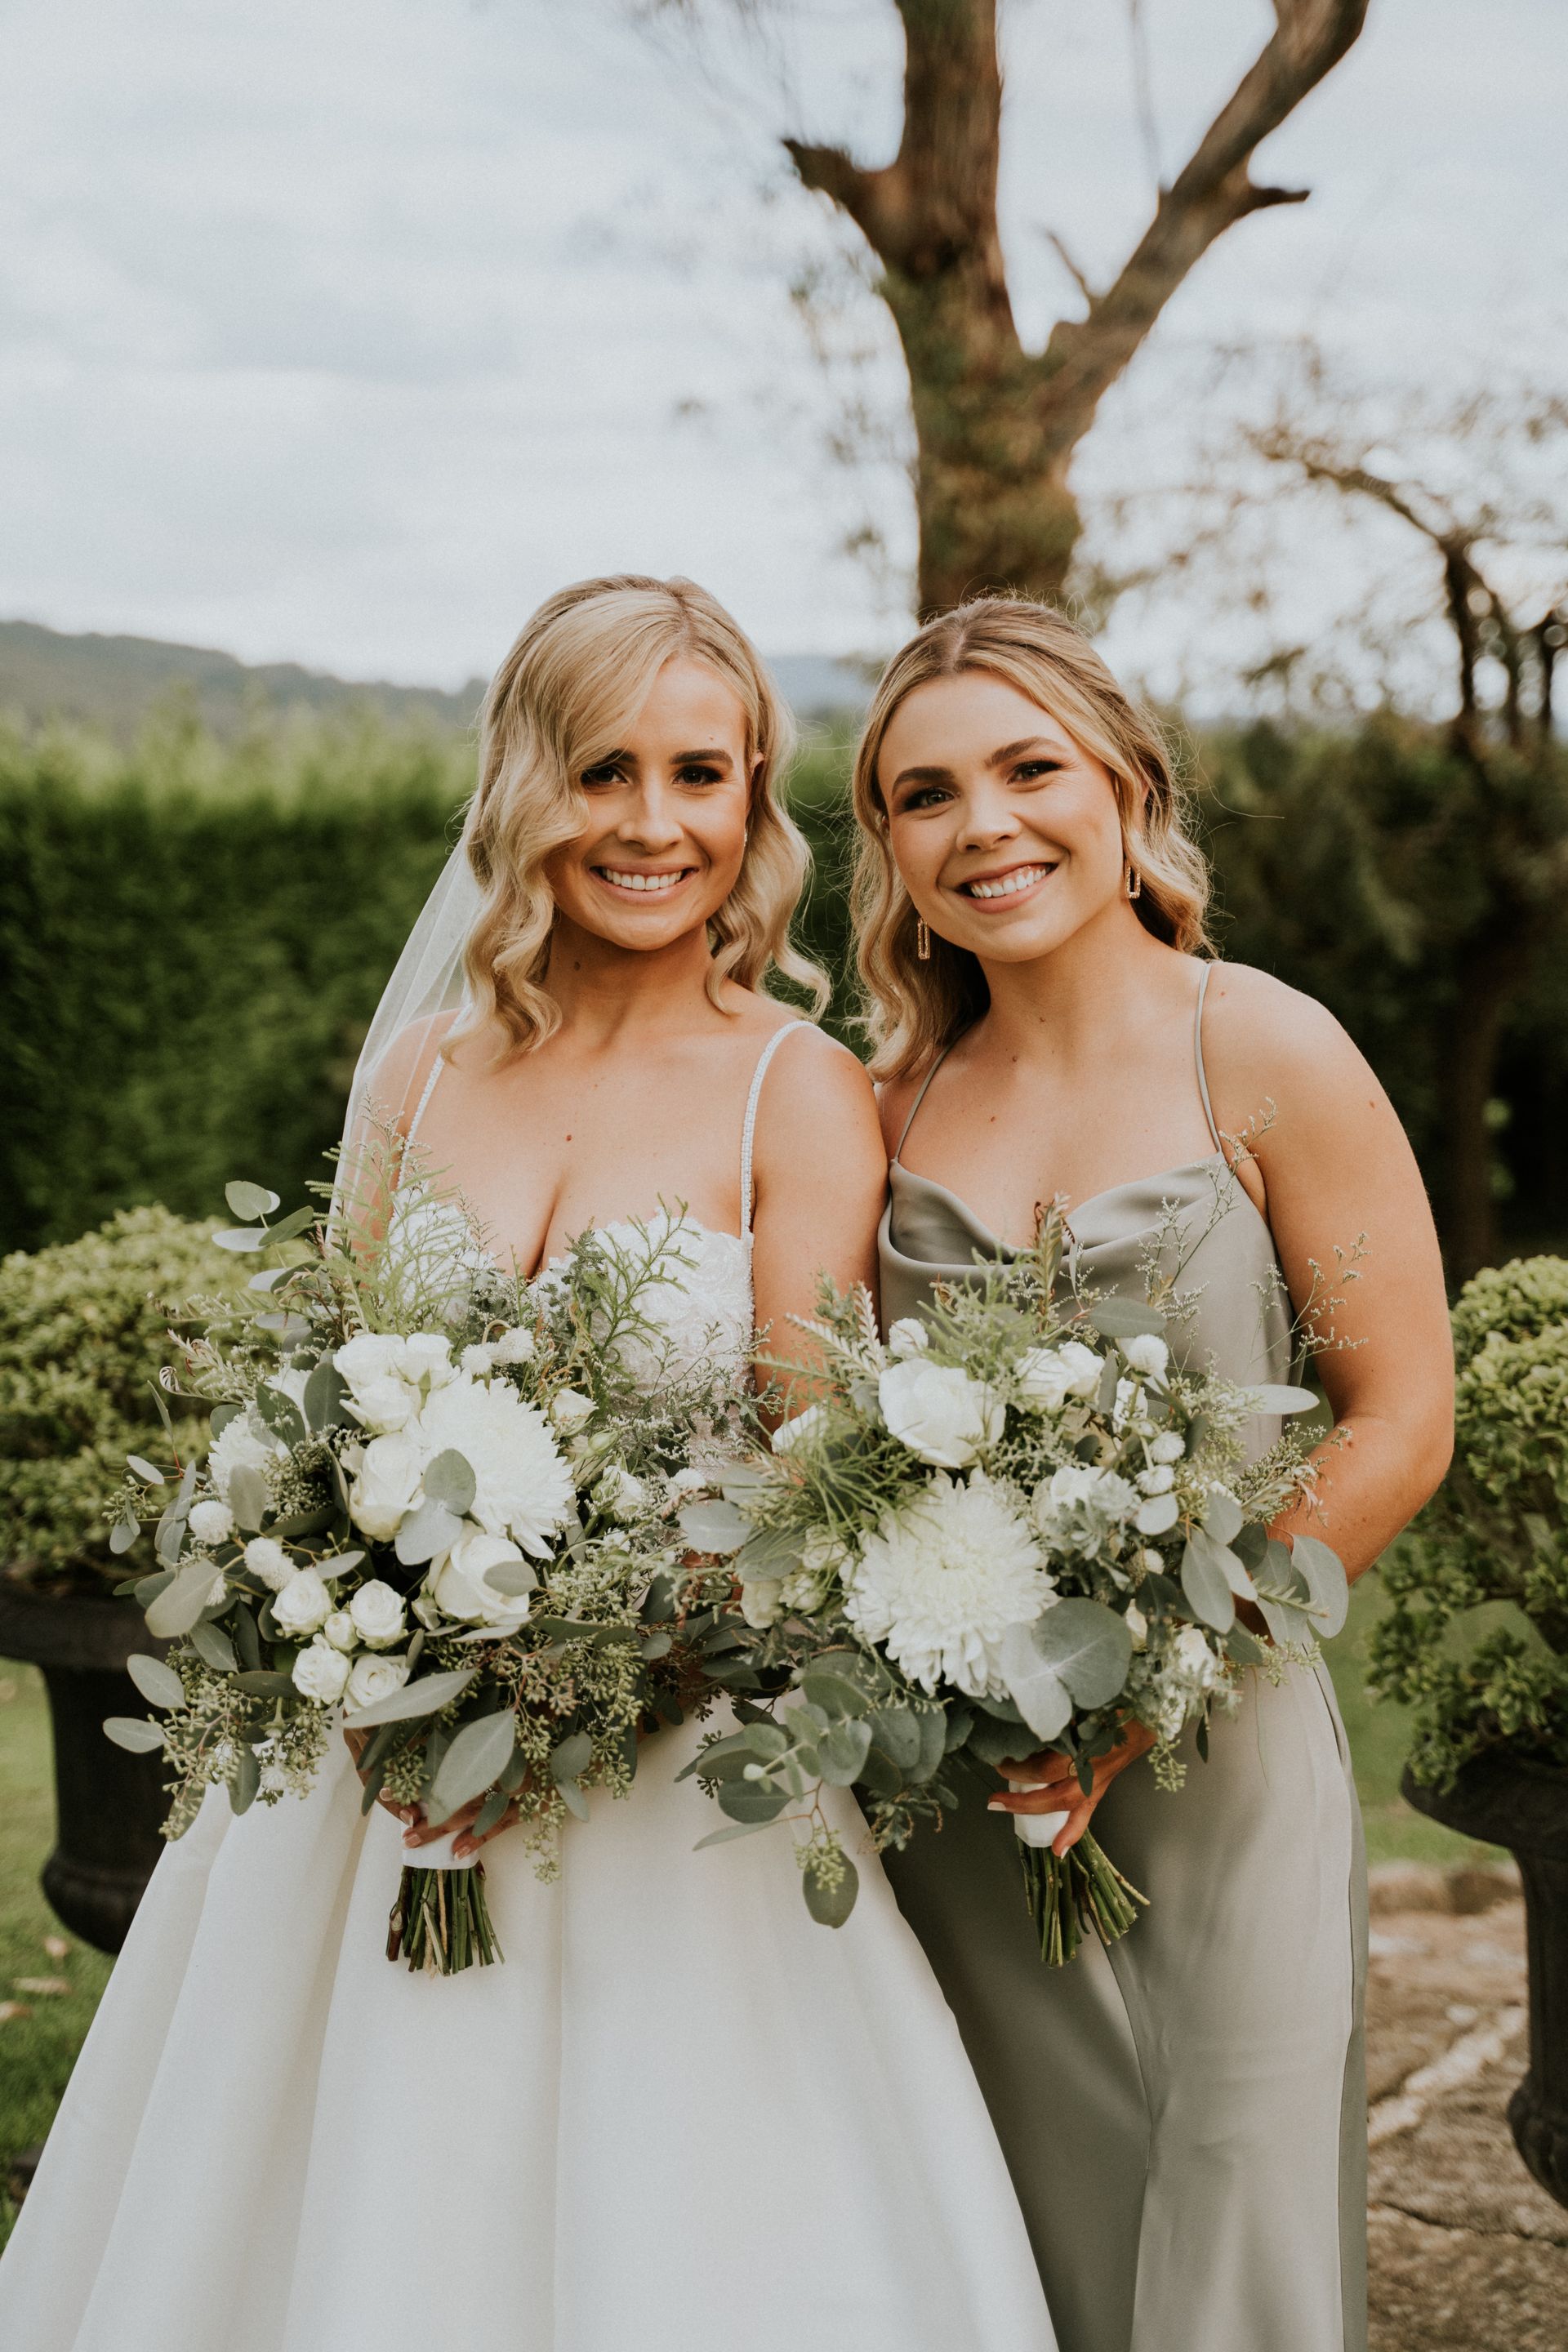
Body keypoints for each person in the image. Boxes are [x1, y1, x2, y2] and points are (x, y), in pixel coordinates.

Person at [0, 577, 1056, 2352]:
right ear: (520, 785)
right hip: (362, 1778)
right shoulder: (414, 1072)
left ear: (753, 805)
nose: (653, 825)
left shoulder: (791, 1090)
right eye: (604, 769)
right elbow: (331, 1395)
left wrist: (579, 1690)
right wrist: (352, 1658)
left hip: (670, 1775)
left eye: (701, 775)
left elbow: (810, 1478)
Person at [853, 596, 1455, 2352]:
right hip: (968, 1784)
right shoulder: (893, 1096)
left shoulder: (1259, 1046)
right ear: (888, 843)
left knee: (1239, 2227)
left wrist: (1153, 1675)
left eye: (1029, 768)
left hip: (1223, 1740)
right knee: (1032, 2240)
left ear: (1126, 785)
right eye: (926, 794)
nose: (985, 827)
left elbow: (1396, 1414)